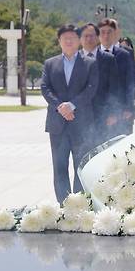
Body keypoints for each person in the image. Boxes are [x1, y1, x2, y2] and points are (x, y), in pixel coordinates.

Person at [41, 24, 99, 202]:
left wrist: (72, 105)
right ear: (59, 41)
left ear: (79, 41)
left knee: (81, 166)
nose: (68, 41)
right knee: (59, 167)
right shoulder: (50, 64)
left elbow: (91, 89)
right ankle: (64, 206)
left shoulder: (90, 63)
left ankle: (79, 205)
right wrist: (60, 106)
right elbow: (45, 88)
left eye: (72, 38)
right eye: (64, 38)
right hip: (57, 125)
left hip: (82, 124)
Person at [79, 23, 121, 146]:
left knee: (102, 150)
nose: (88, 39)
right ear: (80, 39)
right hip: (80, 116)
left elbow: (114, 88)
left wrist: (113, 112)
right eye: (85, 36)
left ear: (98, 37)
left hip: (103, 115)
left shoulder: (109, 59)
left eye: (92, 36)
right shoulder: (75, 59)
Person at [98, 18, 135, 135]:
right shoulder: (93, 55)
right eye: (102, 32)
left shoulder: (125, 54)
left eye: (109, 32)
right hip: (98, 111)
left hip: (121, 110)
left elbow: (130, 82)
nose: (106, 35)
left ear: (115, 33)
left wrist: (129, 107)